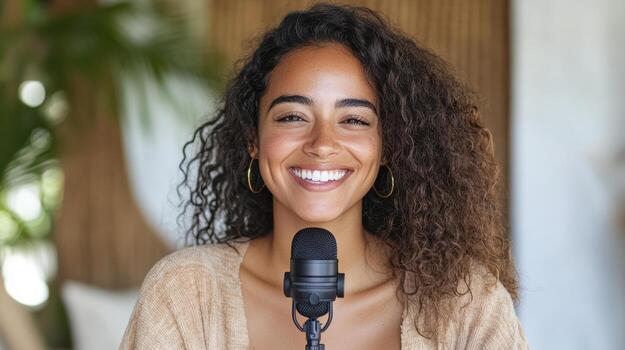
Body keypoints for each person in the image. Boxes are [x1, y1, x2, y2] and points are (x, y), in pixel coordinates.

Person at [120, 3, 528, 349]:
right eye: (293, 116)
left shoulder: (465, 303)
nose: (322, 143)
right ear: (253, 139)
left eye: (353, 119)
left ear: (389, 145)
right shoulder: (185, 294)